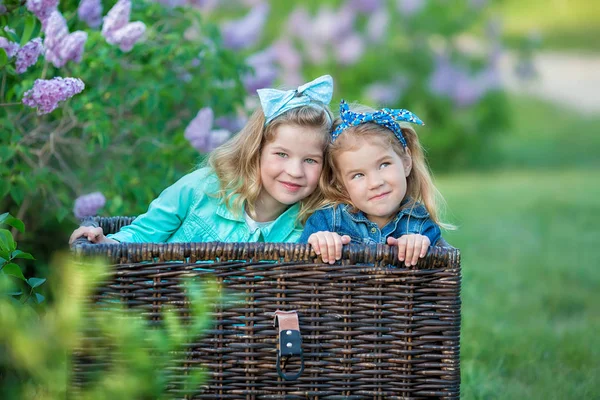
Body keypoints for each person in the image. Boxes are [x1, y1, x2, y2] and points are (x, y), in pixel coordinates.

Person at [69, 75, 334, 245]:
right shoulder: (201, 188)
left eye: (310, 160)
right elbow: (142, 234)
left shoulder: (308, 226)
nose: (295, 171)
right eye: (282, 154)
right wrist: (105, 243)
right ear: (256, 151)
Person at [299, 100, 452, 267]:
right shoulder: (328, 220)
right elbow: (299, 264)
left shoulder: (420, 224)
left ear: (406, 161)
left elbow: (438, 272)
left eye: (384, 165)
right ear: (341, 184)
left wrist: (419, 245)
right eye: (358, 175)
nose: (375, 183)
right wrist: (319, 241)